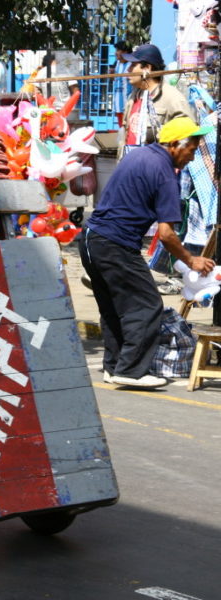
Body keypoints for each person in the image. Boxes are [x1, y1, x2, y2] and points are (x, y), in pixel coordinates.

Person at [79, 117, 215, 389]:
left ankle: (114, 366)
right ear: (177, 144)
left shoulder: (140, 155)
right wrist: (192, 260)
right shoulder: (165, 173)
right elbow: (166, 234)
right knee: (148, 304)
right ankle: (131, 370)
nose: (192, 157)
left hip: (91, 239)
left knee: (114, 307)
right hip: (114, 244)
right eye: (192, 149)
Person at [119, 43, 193, 157]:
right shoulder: (134, 97)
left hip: (156, 169)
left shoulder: (172, 98)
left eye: (133, 65)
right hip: (131, 167)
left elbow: (188, 135)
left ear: (147, 68)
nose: (128, 69)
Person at [111, 40, 132, 128]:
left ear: (125, 52)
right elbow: (114, 80)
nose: (115, 53)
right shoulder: (117, 64)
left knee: (129, 128)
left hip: (129, 104)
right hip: (118, 104)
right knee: (121, 129)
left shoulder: (132, 65)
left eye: (118, 50)